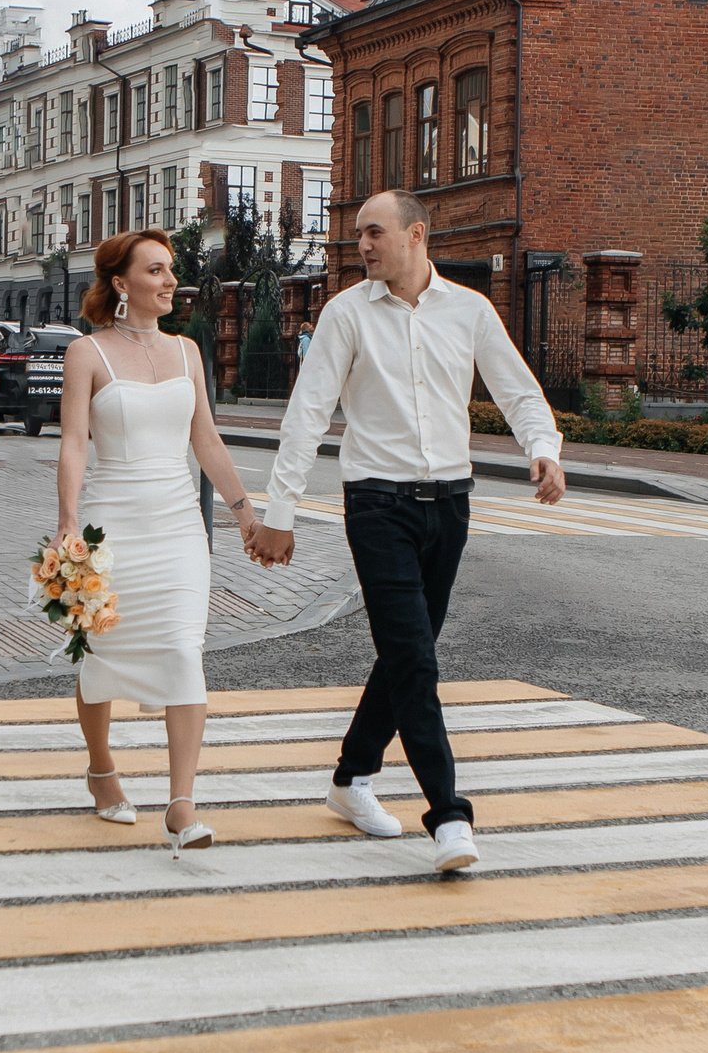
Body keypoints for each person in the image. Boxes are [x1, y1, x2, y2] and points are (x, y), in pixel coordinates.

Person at [252, 191, 566, 872]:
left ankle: (350, 776)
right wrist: (281, 512)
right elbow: (308, 414)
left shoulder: (470, 310)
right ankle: (450, 816)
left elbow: (515, 388)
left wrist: (542, 447)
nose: (362, 244)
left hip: (449, 503)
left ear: (415, 235)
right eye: (360, 233)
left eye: (374, 232)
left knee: (408, 653)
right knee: (417, 660)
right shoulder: (346, 314)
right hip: (376, 505)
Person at [53, 228, 268, 855]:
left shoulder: (187, 352)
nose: (171, 281)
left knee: (182, 649)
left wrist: (243, 513)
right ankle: (101, 769)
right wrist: (68, 521)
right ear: (122, 284)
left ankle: (181, 804)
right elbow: (73, 443)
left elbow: (206, 441)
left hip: (178, 528)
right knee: (98, 657)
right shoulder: (86, 354)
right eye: (157, 270)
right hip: (111, 525)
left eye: (171, 269)